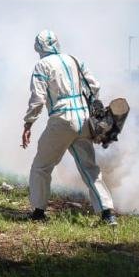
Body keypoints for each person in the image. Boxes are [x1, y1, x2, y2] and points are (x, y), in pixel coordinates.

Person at [21, 30, 118, 225]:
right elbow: (95, 86)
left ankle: (38, 213)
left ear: (38, 47)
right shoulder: (74, 60)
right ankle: (108, 213)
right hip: (83, 118)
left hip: (62, 119)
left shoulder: (42, 65)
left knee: (41, 166)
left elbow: (38, 99)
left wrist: (28, 123)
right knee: (90, 169)